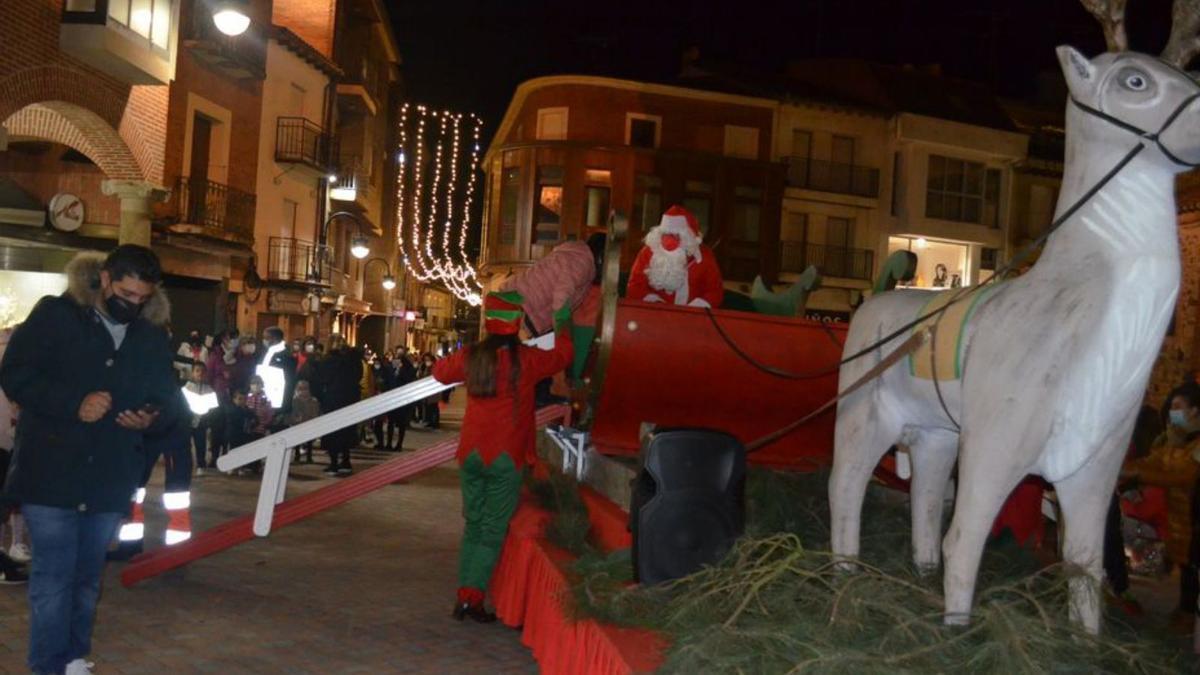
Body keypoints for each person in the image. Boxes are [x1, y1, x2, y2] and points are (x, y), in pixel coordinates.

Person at [0, 245, 178, 675]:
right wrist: (72, 402)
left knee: (85, 581)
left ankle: (74, 659)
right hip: (52, 472)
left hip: (109, 477)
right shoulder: (56, 315)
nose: (132, 304)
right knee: (53, 580)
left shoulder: (150, 334)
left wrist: (150, 417)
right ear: (104, 278)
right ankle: (47, 666)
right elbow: (15, 374)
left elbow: (170, 400)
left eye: (141, 298)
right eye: (125, 293)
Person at [433, 291, 573, 622]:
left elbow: (440, 371)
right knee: (492, 530)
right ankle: (472, 597)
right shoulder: (526, 360)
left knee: (474, 525)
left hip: (471, 454)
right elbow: (564, 354)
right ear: (516, 324)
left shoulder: (473, 357)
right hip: (506, 457)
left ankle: (464, 594)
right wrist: (563, 319)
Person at [311, 335, 362, 476]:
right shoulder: (352, 361)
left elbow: (319, 381)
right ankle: (346, 461)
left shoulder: (327, 361)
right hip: (348, 401)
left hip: (332, 401)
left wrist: (321, 398)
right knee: (346, 432)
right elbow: (358, 377)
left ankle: (334, 464)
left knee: (333, 432)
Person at [183, 363, 218, 473]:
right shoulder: (186, 388)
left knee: (200, 444)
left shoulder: (210, 390)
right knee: (185, 444)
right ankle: (186, 464)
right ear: (192, 373)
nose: (200, 373)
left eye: (202, 371)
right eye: (197, 370)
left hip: (202, 421)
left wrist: (208, 420)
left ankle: (200, 465)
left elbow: (213, 408)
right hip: (187, 421)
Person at [287, 380, 321, 463]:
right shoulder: (294, 400)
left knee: (309, 441)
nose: (303, 391)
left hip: (309, 423)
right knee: (297, 440)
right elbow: (293, 412)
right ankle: (297, 455)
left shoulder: (313, 401)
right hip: (298, 423)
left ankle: (309, 457)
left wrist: (313, 420)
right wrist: (294, 420)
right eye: (300, 389)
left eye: (305, 389)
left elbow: (315, 412)